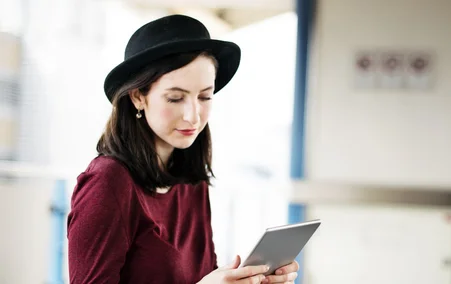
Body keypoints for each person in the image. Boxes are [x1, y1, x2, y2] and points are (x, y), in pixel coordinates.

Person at [67, 14, 299, 284]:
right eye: (175, 98)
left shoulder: (191, 179)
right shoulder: (108, 182)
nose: (193, 116)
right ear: (138, 96)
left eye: (204, 97)